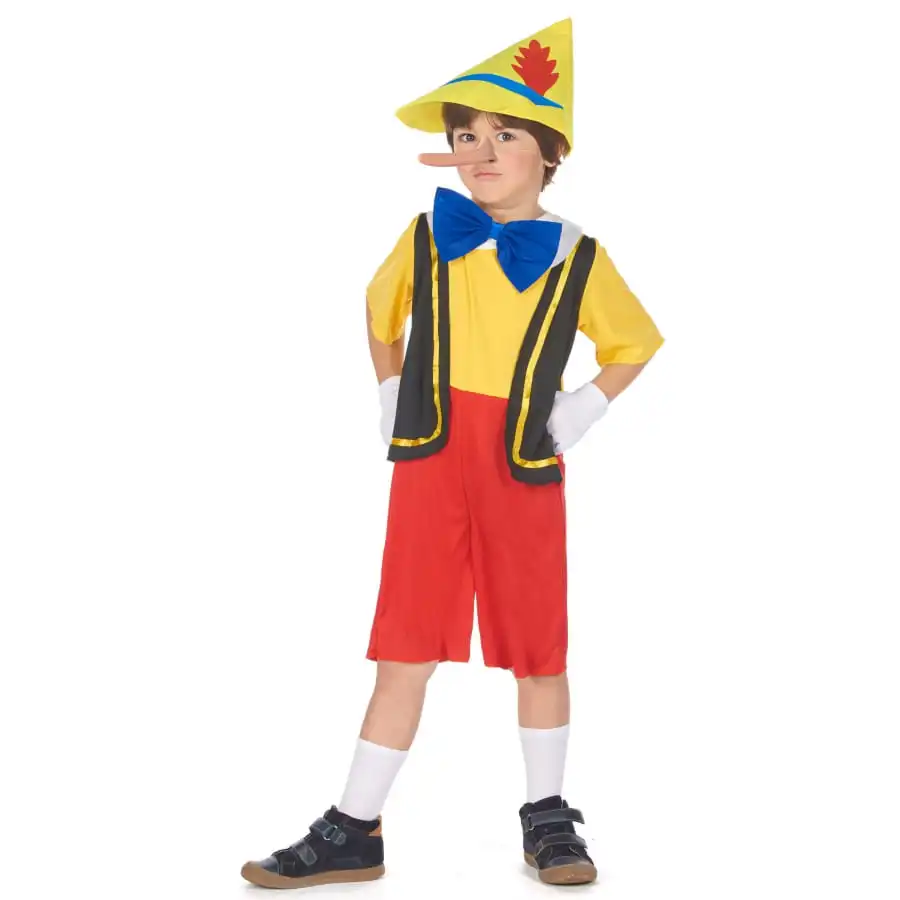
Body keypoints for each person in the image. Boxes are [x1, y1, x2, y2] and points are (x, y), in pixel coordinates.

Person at [240, 16, 664, 889]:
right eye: (467, 137)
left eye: (504, 135)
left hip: (520, 461)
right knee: (406, 640)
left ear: (549, 152)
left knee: (539, 645)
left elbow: (636, 342)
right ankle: (355, 826)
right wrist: (391, 389)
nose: (481, 152)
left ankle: (546, 815)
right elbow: (379, 311)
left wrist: (584, 407)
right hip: (431, 457)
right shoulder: (429, 234)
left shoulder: (579, 256)